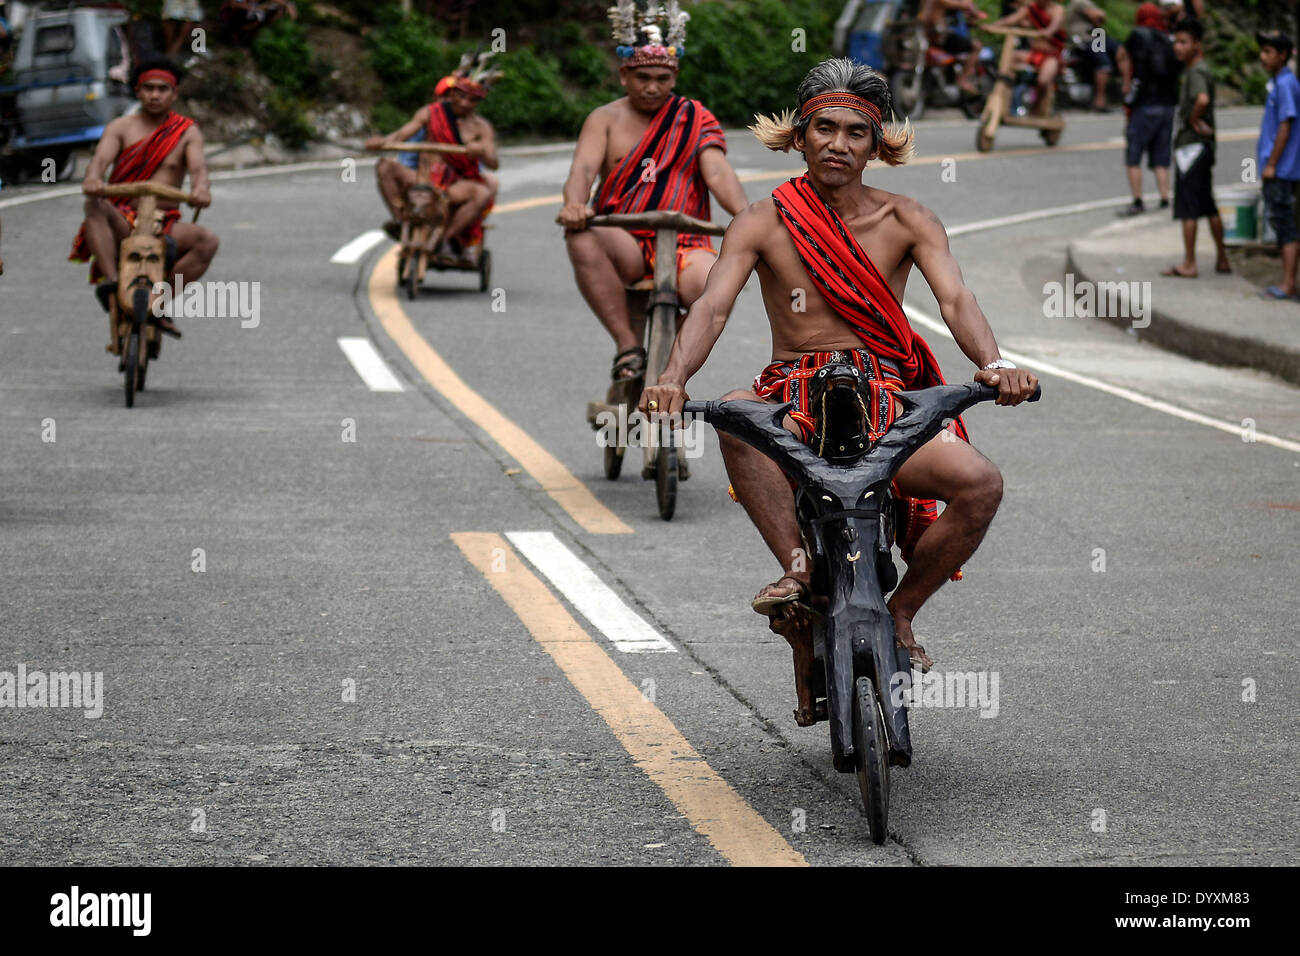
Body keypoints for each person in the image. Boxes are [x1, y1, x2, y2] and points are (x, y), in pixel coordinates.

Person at [638, 57, 1039, 672]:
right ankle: (795, 569)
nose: (839, 144)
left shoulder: (908, 219)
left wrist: (995, 363)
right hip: (793, 391)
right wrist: (671, 379)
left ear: (876, 146)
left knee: (980, 483)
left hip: (885, 392)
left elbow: (955, 299)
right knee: (737, 418)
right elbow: (714, 306)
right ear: (799, 136)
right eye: (825, 129)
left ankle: (901, 611)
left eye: (857, 132)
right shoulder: (761, 221)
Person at [560, 0, 747, 392]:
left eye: (662, 78)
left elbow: (716, 170)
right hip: (625, 238)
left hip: (686, 242)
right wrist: (575, 205)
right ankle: (628, 348)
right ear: (624, 74)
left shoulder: (695, 116)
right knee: (581, 234)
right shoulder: (603, 119)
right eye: (642, 76)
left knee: (714, 283)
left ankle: (672, 369)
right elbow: (583, 170)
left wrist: (746, 215)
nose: (652, 86)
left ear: (674, 75)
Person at [70, 57, 217, 337]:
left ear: (174, 94)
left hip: (166, 222)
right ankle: (113, 282)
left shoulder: (187, 132)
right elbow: (99, 161)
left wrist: (201, 189)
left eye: (163, 89)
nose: (155, 95)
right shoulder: (120, 127)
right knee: (94, 206)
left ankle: (158, 303)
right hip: (123, 217)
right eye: (148, 88)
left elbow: (199, 170)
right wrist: (92, 178)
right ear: (138, 91)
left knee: (207, 241)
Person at [365, 55, 500, 267]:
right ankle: (401, 221)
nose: (465, 103)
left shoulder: (481, 127)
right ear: (453, 93)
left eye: (472, 99)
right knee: (384, 166)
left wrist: (481, 151)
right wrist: (381, 142)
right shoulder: (430, 113)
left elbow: (493, 162)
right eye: (460, 95)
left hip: (454, 186)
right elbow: (401, 135)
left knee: (482, 193)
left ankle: (444, 239)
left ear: (479, 101)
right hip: (423, 179)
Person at [1163, 17, 1229, 278]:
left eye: (1184, 42)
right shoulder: (1197, 70)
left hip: (1192, 148)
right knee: (1208, 204)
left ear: (1197, 45)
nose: (1178, 47)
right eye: (1176, 42)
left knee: (1188, 206)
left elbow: (1201, 99)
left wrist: (1193, 120)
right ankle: (1222, 258)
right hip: (1203, 147)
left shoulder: (1196, 72)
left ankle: (1189, 263)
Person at [1116, 3, 1180, 216]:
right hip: (1168, 104)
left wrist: (1127, 83)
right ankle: (1164, 198)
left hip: (1144, 103)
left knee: (1133, 153)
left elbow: (1122, 56)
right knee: (1161, 154)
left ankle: (1138, 200)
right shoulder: (1169, 38)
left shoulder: (1137, 35)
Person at [1256, 30, 1300, 300]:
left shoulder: (1285, 85)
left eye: (1268, 52)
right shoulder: (1281, 83)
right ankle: (1287, 281)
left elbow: (1286, 124)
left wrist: (1272, 163)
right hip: (1282, 168)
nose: (1263, 57)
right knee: (1281, 220)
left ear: (1282, 55)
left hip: (1282, 169)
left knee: (1284, 223)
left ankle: (1287, 284)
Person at [992, 0, 1068, 117]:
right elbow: (1011, 19)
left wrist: (1048, 32)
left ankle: (1036, 106)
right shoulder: (1032, 8)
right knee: (1008, 60)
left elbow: (1054, 25)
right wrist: (992, 26)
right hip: (1034, 53)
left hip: (1051, 56)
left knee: (1043, 81)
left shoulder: (1058, 10)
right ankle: (1004, 97)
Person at [920, 0, 989, 96]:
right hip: (940, 37)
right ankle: (962, 80)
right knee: (976, 46)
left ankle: (957, 76)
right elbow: (963, 5)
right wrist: (970, 7)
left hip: (939, 36)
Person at [1065, 0, 1115, 111]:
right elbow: (1097, 16)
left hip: (1096, 36)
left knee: (1120, 50)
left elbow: (1100, 20)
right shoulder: (1079, 2)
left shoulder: (1089, 3)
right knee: (1103, 63)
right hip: (1083, 40)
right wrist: (1100, 14)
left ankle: (1126, 90)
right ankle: (1100, 100)